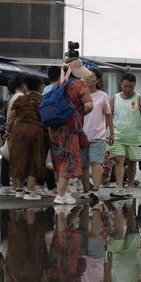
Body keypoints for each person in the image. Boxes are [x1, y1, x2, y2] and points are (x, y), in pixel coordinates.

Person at [47, 60, 93, 206]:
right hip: (70, 129)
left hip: (53, 128)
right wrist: (79, 114)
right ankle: (60, 195)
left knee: (58, 160)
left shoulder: (59, 85)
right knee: (68, 161)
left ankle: (64, 192)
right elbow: (89, 106)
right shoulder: (81, 85)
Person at [109, 73, 141, 198]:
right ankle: (119, 187)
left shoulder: (139, 98)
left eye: (131, 87)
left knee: (132, 162)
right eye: (125, 86)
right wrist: (109, 132)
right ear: (121, 84)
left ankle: (130, 186)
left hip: (134, 137)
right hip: (117, 136)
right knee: (118, 159)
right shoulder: (114, 98)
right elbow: (109, 116)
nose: (127, 89)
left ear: (134, 86)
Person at [6, 75, 46, 200]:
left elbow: (11, 118)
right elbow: (46, 117)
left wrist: (7, 131)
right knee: (34, 161)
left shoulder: (20, 99)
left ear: (26, 86)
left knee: (19, 159)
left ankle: (19, 190)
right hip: (36, 132)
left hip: (19, 131)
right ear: (40, 87)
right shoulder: (42, 100)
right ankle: (30, 192)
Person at [81, 68, 111, 201]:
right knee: (83, 165)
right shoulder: (79, 94)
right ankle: (86, 189)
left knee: (95, 162)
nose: (87, 78)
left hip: (98, 134)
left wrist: (112, 133)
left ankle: (96, 189)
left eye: (91, 77)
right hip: (81, 134)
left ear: (98, 80)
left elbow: (108, 116)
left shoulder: (103, 96)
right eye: (86, 76)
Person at [0, 75, 26, 197]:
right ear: (21, 85)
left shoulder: (14, 96)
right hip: (15, 130)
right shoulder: (20, 96)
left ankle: (7, 185)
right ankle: (8, 186)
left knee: (8, 157)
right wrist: (8, 130)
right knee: (11, 158)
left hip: (12, 129)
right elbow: (12, 117)